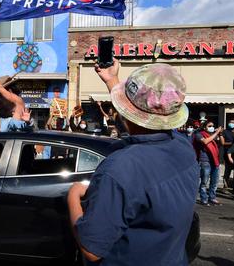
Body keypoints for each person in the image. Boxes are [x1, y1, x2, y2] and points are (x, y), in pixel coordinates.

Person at [67, 61, 198, 265]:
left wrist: (73, 196)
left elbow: (91, 249)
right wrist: (112, 81)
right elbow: (139, 125)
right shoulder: (183, 147)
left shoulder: (120, 168)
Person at [193, 121, 224, 206]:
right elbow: (205, 142)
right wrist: (216, 133)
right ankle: (204, 199)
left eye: (213, 126)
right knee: (204, 182)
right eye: (209, 126)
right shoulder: (199, 134)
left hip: (215, 161)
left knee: (214, 182)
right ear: (204, 127)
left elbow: (222, 143)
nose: (212, 127)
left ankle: (212, 197)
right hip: (204, 161)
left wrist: (220, 134)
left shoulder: (213, 135)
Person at [222, 119, 234, 189]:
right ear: (228, 123)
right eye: (230, 122)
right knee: (227, 170)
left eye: (233, 123)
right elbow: (223, 143)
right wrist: (233, 144)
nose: (232, 124)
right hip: (227, 153)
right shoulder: (225, 131)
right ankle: (225, 186)